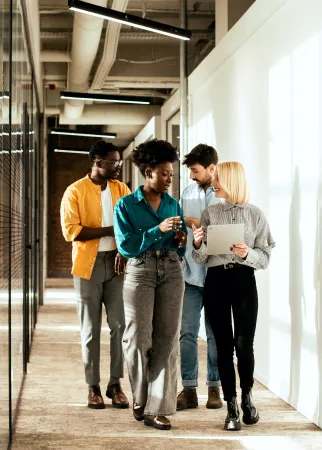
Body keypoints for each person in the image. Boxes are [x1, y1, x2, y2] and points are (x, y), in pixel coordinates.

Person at [192, 161, 275, 431]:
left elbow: (264, 259)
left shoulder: (255, 215)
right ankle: (231, 407)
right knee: (222, 347)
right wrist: (197, 242)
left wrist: (246, 254)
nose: (212, 183)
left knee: (244, 344)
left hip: (243, 280)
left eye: (217, 180)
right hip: (216, 281)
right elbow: (201, 257)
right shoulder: (209, 213)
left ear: (231, 181)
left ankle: (248, 397)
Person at [114, 139, 187, 431]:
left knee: (167, 341)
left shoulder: (172, 204)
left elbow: (179, 248)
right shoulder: (126, 205)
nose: (169, 179)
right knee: (137, 339)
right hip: (140, 270)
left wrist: (180, 242)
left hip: (171, 269)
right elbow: (126, 245)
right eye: (164, 173)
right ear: (148, 172)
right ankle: (140, 397)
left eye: (171, 173)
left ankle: (158, 408)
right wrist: (157, 230)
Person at [60, 141, 131, 410]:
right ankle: (93, 387)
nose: (119, 166)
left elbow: (130, 225)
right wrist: (109, 230)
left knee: (119, 326)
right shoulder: (75, 191)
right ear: (99, 163)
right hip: (87, 267)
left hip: (116, 265)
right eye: (115, 162)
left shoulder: (121, 189)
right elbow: (72, 231)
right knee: (90, 330)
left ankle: (115, 384)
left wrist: (122, 250)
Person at [176, 144, 222, 411]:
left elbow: (222, 229)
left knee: (215, 335)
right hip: (191, 275)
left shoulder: (224, 195)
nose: (192, 176)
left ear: (211, 168)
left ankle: (214, 388)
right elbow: (186, 230)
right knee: (187, 333)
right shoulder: (187, 192)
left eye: (195, 170)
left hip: (216, 274)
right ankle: (189, 389)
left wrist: (190, 221)